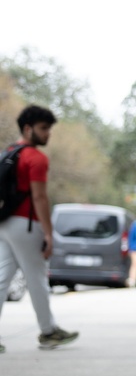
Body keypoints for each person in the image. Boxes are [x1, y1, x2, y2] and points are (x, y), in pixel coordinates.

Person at [0, 105, 78, 351]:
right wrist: (48, 233)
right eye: (44, 128)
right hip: (26, 224)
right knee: (37, 278)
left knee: (2, 278)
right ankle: (48, 331)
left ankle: (48, 329)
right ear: (28, 128)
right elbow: (40, 198)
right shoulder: (36, 158)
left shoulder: (8, 152)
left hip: (4, 222)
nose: (48, 134)